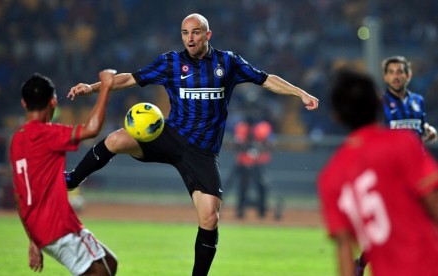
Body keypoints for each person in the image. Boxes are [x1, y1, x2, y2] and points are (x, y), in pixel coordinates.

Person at [65, 13, 319, 275]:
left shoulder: (228, 62)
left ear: (207, 35)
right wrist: (93, 87)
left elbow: (266, 79)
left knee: (210, 217)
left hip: (202, 152)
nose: (190, 38)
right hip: (170, 136)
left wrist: (301, 93)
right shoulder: (171, 62)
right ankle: (73, 179)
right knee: (117, 139)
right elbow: (130, 78)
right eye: (185, 33)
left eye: (196, 32)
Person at [317, 69, 438, 276]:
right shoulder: (402, 143)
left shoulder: (331, 175)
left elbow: (344, 248)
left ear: (336, 117)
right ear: (378, 104)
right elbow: (433, 204)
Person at [10, 71, 118, 275]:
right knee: (101, 272)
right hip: (56, 225)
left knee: (110, 264)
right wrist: (105, 87)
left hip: (40, 227)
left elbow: (19, 194)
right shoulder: (47, 134)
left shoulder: (18, 139)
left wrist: (33, 240)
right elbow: (92, 129)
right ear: (53, 102)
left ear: (24, 104)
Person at [354, 55, 437, 275]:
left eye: (400, 72)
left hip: (417, 174)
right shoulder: (380, 105)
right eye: (391, 72)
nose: (396, 76)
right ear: (385, 76)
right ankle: (363, 262)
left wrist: (427, 130)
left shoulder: (417, 101)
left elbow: (417, 126)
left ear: (408, 75)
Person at [227, 114, 273, 219]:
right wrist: (247, 148)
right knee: (243, 186)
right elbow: (236, 144)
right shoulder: (241, 127)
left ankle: (262, 211)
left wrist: (258, 149)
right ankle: (240, 211)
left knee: (262, 186)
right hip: (243, 161)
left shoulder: (263, 127)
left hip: (259, 162)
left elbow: (269, 144)